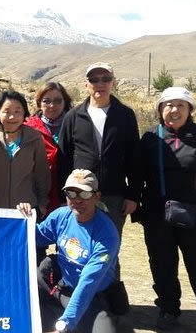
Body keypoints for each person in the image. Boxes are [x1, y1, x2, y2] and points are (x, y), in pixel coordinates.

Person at [132, 87, 196, 333]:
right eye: (168, 105)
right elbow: (138, 174)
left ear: (190, 110)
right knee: (162, 265)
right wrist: (137, 206)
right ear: (159, 109)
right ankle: (168, 310)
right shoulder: (150, 137)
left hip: (194, 212)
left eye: (181, 105)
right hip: (156, 213)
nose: (174, 110)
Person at [18, 169, 121, 333]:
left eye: (84, 194)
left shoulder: (106, 234)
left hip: (93, 297)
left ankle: (75, 327)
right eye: (71, 194)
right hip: (62, 288)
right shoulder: (61, 215)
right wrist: (24, 218)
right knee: (43, 270)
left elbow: (88, 284)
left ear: (96, 196)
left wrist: (63, 328)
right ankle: (54, 324)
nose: (77, 200)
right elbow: (34, 237)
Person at [58, 62, 139, 278]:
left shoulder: (125, 115)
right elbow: (64, 160)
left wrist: (132, 195)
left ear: (113, 82)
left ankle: (111, 295)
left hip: (113, 194)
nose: (100, 83)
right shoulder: (73, 117)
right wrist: (64, 195)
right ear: (86, 84)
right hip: (79, 195)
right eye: (94, 79)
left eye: (105, 79)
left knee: (109, 248)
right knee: (79, 244)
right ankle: (76, 291)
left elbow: (134, 158)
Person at [0, 90, 50, 215]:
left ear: (24, 113)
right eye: (6, 111)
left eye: (17, 111)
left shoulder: (34, 138)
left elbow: (42, 174)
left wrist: (42, 204)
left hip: (26, 210)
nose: (12, 117)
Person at [24, 82, 73, 214]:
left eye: (58, 101)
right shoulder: (28, 128)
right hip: (36, 197)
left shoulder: (75, 125)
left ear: (65, 102)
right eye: (47, 101)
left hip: (70, 196)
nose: (52, 106)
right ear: (39, 103)